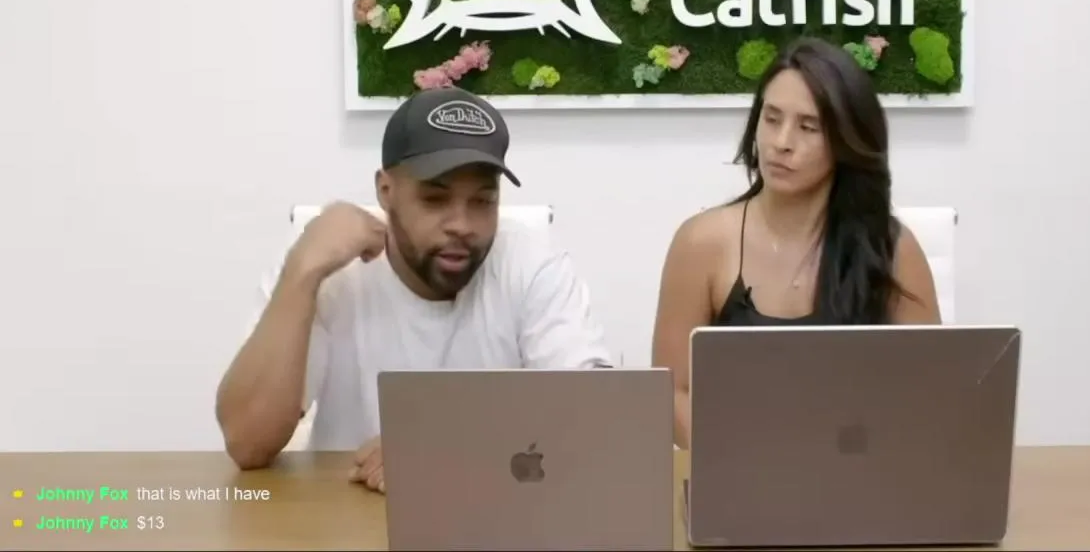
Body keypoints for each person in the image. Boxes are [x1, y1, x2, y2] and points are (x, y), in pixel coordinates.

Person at [215, 87, 613, 489]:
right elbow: (247, 443)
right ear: (385, 191)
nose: (462, 225)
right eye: (435, 199)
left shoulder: (530, 260)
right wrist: (301, 274)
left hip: (497, 503)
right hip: (346, 507)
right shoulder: (327, 264)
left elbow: (600, 418)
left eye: (482, 201)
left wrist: (441, 441)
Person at [650, 37, 941, 449]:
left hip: (858, 469)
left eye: (808, 127)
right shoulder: (701, 243)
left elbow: (930, 394)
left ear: (846, 141)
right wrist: (747, 456)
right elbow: (673, 391)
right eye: (771, 119)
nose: (781, 142)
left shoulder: (893, 249)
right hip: (738, 471)